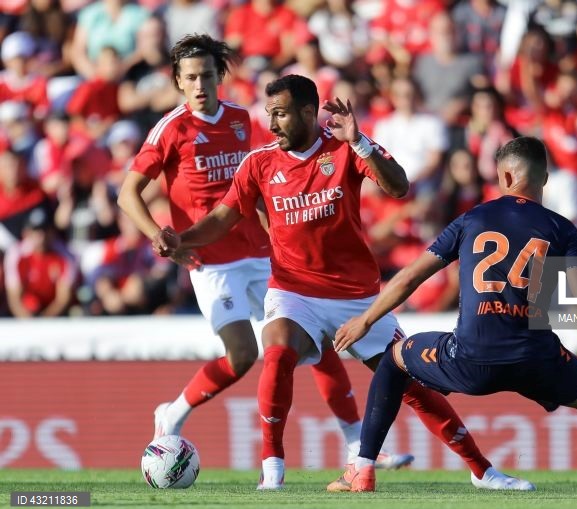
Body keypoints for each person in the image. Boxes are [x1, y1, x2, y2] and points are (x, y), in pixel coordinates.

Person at [155, 74, 529, 492]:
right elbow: (223, 218)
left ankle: (482, 470)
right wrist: (181, 239)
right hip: (293, 291)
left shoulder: (345, 150)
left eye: (280, 114)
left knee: (413, 386)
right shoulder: (259, 163)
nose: (272, 124)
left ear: (309, 113)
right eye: (269, 114)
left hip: (357, 298)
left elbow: (400, 187)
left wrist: (360, 141)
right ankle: (272, 469)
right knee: (276, 352)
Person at [332, 137, 577, 495]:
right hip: (539, 360)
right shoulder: (561, 228)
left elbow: (411, 276)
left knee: (395, 359)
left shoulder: (472, 219)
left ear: (505, 176)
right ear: (544, 178)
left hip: (471, 359)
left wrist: (365, 320)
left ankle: (362, 468)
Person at [117, 35, 411, 475]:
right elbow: (127, 194)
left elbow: (270, 175)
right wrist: (166, 238)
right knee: (240, 357)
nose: (200, 85)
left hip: (260, 254)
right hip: (211, 260)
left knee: (320, 342)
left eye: (207, 75)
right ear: (178, 82)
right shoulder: (170, 129)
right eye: (190, 78)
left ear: (221, 77)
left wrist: (281, 233)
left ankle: (356, 443)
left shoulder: (243, 119)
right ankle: (173, 412)